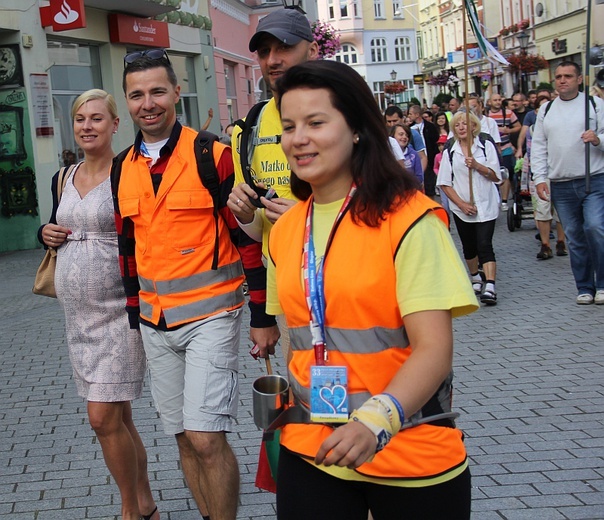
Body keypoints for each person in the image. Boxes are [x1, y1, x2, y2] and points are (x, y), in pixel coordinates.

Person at [266, 59, 477, 520]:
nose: (298, 138)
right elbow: (303, 340)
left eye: (316, 122)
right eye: (288, 126)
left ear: (358, 128)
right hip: (315, 449)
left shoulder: (410, 220)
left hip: (411, 449)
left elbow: (435, 349)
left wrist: (374, 421)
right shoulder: (285, 231)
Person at [114, 49, 248, 519]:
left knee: (207, 437)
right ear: (126, 101)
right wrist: (135, 316)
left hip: (211, 315)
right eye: (136, 94)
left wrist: (265, 317)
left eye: (156, 91)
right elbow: (127, 249)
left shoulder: (212, 154)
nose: (147, 103)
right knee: (183, 438)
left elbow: (244, 238)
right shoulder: (122, 167)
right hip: (156, 323)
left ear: (176, 92)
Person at [37, 89, 158, 520]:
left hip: (121, 312)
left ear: (114, 125)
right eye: (80, 120)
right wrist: (45, 233)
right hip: (79, 318)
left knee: (101, 418)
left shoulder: (130, 173)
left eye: (97, 119)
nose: (87, 126)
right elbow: (56, 224)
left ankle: (130, 511)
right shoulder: (63, 176)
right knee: (119, 419)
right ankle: (144, 504)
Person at [229, 8, 319, 362]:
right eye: (264, 52)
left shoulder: (346, 111)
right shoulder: (249, 127)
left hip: (343, 278)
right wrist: (244, 212)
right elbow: (253, 235)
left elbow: (373, 197)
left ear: (311, 51)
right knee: (310, 395)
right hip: (285, 287)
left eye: (283, 48)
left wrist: (305, 215)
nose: (272, 60)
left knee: (352, 395)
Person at [531, 61, 604, 305]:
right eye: (559, 76)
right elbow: (539, 146)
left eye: (568, 76)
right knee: (574, 237)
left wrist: (597, 139)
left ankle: (602, 283)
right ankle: (584, 286)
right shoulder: (547, 110)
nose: (562, 80)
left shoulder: (594, 104)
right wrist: (539, 178)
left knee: (595, 228)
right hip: (561, 182)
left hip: (593, 178)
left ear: (579, 79)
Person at [437, 112, 502, 306]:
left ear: (474, 126)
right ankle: (475, 276)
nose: (462, 128)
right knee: (469, 245)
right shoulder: (450, 150)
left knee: (484, 243)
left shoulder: (485, 145)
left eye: (466, 124)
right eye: (458, 125)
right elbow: (445, 183)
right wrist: (462, 205)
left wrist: (478, 166)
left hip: (486, 203)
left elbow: (495, 175)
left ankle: (490, 285)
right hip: (462, 207)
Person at [521, 94, 567, 260]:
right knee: (542, 208)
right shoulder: (534, 129)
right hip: (543, 172)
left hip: (560, 170)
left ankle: (561, 242)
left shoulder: (562, 125)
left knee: (561, 208)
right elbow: (533, 151)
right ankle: (545, 244)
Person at [488, 93, 521, 210]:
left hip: (505, 147)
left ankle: (504, 200)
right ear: (489, 102)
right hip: (491, 149)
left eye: (499, 100)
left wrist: (508, 130)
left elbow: (518, 126)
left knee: (505, 172)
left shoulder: (508, 113)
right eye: (495, 100)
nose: (497, 102)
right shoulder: (486, 115)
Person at [384, 105, 428, 171]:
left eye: (395, 121)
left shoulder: (413, 134)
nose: (392, 124)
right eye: (389, 121)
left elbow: (422, 157)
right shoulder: (384, 136)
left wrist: (419, 177)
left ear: (402, 119)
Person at [409, 104, 439, 197]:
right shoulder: (409, 128)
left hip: (430, 161)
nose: (409, 116)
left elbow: (435, 142)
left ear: (417, 114)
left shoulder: (430, 127)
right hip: (417, 162)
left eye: (410, 114)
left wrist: (434, 158)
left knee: (430, 189)